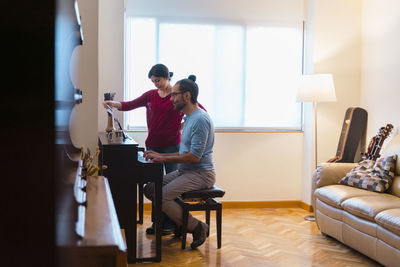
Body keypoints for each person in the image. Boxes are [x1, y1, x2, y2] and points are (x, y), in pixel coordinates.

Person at [103, 63, 181, 235]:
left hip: (172, 147)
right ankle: (157, 223)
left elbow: (198, 112)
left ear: (167, 77)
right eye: (153, 81)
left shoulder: (177, 96)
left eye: (158, 80)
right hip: (153, 145)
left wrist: (182, 126)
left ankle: (173, 224)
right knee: (154, 185)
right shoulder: (150, 95)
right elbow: (130, 104)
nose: (156, 84)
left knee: (171, 186)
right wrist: (112, 104)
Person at [143, 75, 216, 249]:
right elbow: (185, 153)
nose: (171, 98)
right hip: (186, 171)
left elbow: (194, 157)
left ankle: (197, 227)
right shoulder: (189, 118)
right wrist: (159, 155)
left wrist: (162, 157)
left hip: (201, 174)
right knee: (151, 189)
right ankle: (180, 222)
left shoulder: (200, 120)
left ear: (187, 96)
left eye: (175, 94)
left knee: (162, 198)